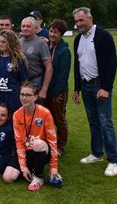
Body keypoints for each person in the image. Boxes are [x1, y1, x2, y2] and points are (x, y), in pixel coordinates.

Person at [72, 7, 117, 177]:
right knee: (93, 121)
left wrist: (106, 88)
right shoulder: (78, 39)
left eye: (81, 20)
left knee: (106, 122)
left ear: (90, 18)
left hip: (100, 85)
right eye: (76, 21)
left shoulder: (103, 36)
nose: (79, 24)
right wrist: (76, 88)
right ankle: (97, 153)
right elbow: (78, 65)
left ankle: (113, 160)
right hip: (85, 86)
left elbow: (112, 64)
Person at [3, 82, 60, 191]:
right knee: (8, 177)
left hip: (41, 150)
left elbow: (53, 142)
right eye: (22, 94)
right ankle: (31, 170)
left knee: (37, 143)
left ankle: (38, 177)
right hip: (26, 150)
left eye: (28, 95)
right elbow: (19, 143)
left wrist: (53, 167)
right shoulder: (16, 115)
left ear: (35, 97)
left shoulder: (45, 113)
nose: (24, 98)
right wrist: (23, 168)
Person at [46, 19, 71, 157]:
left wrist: (57, 92)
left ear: (61, 34)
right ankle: (50, 142)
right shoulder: (47, 47)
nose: (52, 34)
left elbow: (63, 75)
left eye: (56, 32)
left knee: (59, 118)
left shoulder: (64, 51)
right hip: (47, 90)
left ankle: (61, 145)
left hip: (58, 92)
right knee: (47, 118)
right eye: (51, 31)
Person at [19, 16, 53, 104]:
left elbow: (49, 67)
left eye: (28, 26)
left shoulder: (41, 43)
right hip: (21, 83)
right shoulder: (18, 42)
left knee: (35, 112)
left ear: (35, 28)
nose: (25, 28)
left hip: (35, 82)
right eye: (23, 26)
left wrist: (44, 89)